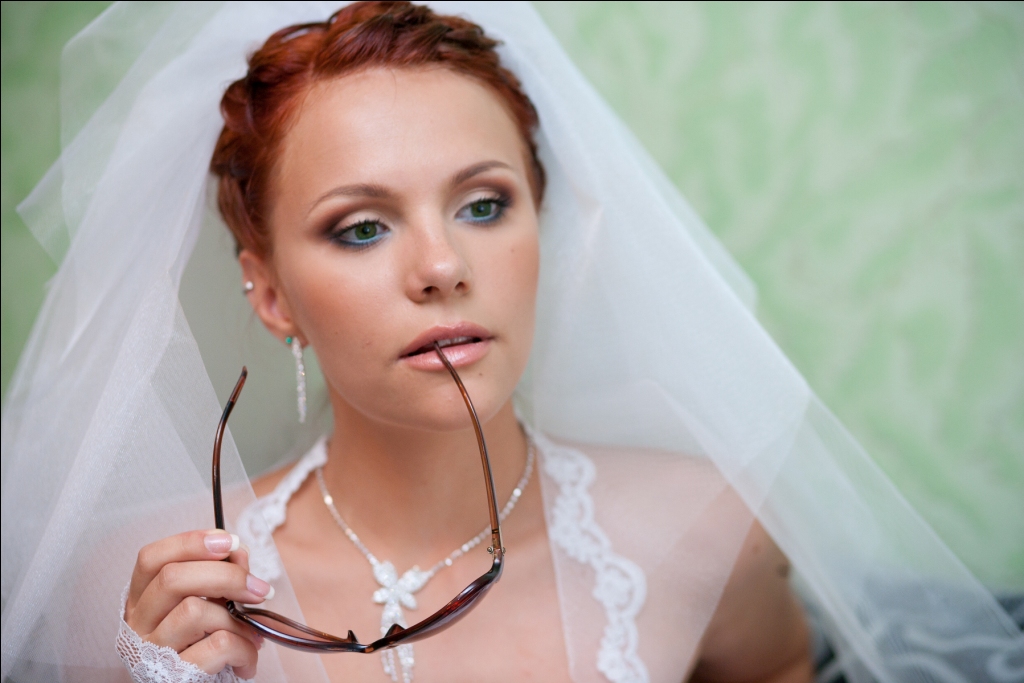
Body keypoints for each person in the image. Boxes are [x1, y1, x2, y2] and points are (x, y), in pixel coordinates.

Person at [1, 3, 1019, 683]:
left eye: (484, 205)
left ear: (542, 222)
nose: (442, 265)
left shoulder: (708, 531)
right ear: (269, 292)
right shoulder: (143, 597)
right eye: (362, 226)